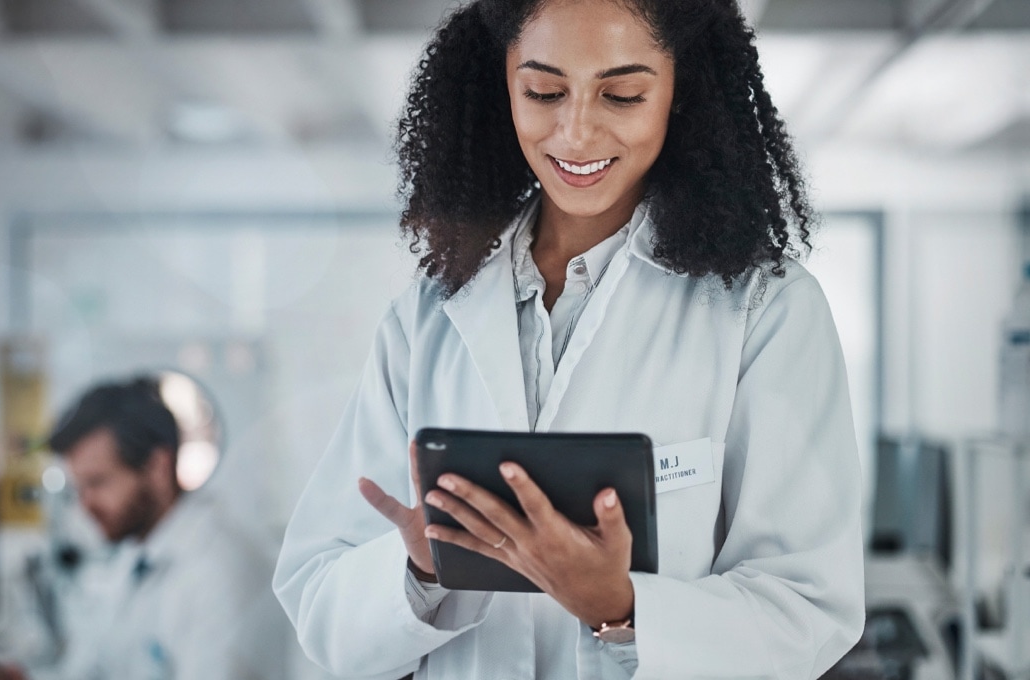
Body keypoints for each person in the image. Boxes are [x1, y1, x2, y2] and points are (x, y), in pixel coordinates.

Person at [273, 0, 865, 677]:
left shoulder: (766, 309)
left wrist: (622, 606)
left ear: (680, 92)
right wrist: (420, 571)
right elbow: (319, 605)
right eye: (544, 91)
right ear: (503, 85)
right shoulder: (428, 315)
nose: (576, 131)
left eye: (622, 94)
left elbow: (809, 610)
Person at [0, 377, 273, 680]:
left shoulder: (220, 573)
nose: (85, 505)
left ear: (158, 468)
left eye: (97, 483)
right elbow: (90, 672)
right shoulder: (133, 554)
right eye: (79, 488)